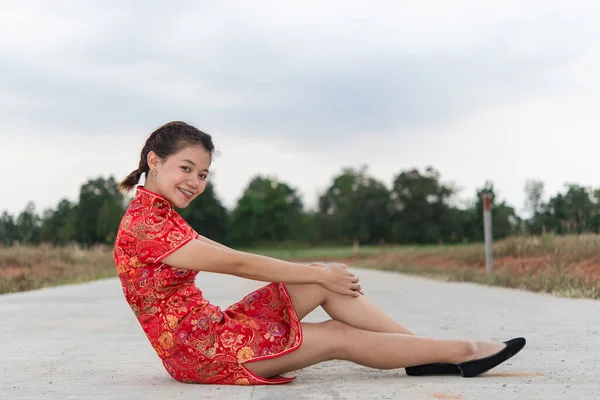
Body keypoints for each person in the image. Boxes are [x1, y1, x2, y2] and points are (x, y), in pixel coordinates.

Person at [113, 121, 526, 385]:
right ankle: (460, 351)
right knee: (336, 334)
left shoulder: (160, 213)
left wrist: (317, 274)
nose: (195, 182)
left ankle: (417, 349)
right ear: (155, 160)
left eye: (202, 174)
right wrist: (316, 276)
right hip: (199, 352)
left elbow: (223, 249)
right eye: (186, 168)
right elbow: (237, 264)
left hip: (212, 330)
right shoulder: (146, 225)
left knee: (320, 276)